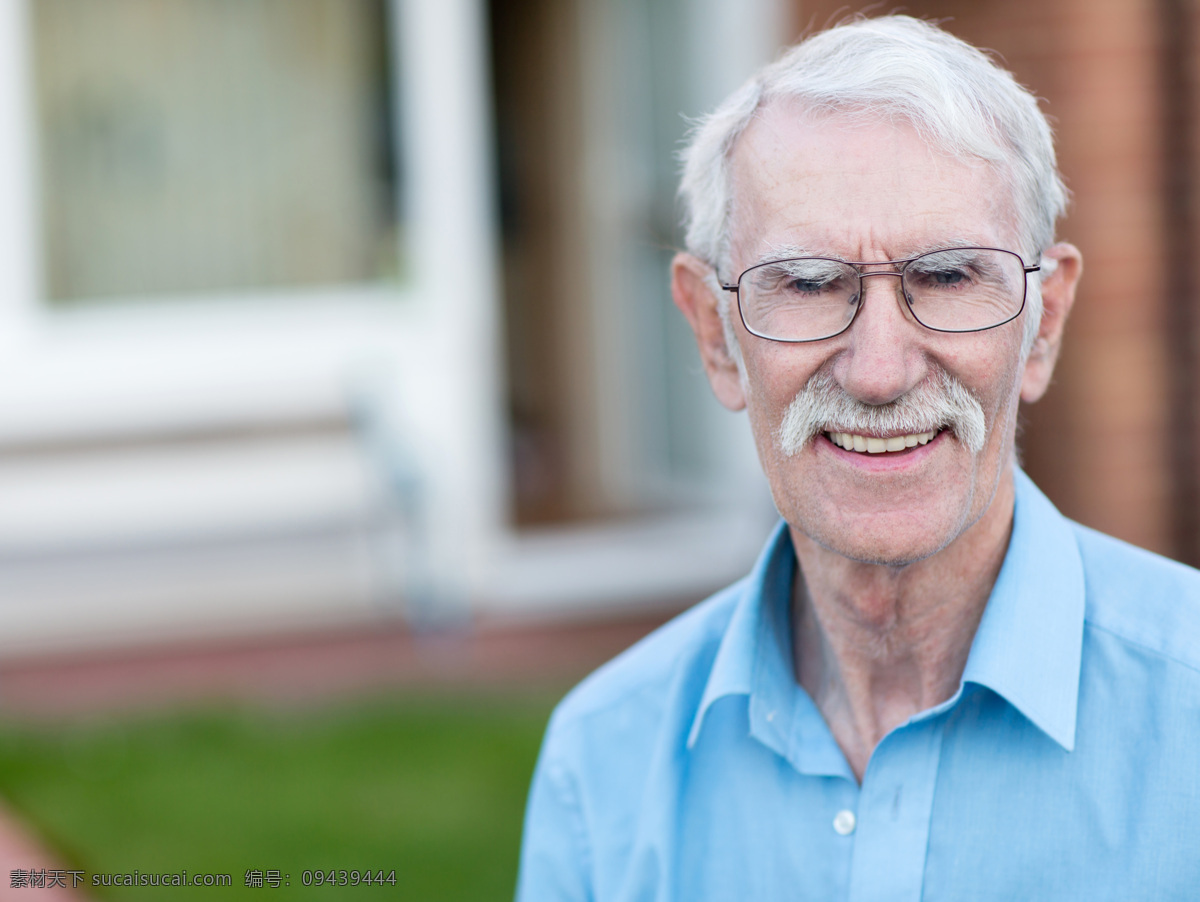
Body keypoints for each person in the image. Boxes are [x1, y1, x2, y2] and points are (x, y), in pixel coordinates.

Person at [516, 16, 1200, 900]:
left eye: (949, 276)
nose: (880, 370)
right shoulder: (603, 764)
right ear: (714, 336)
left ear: (1045, 323)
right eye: (806, 283)